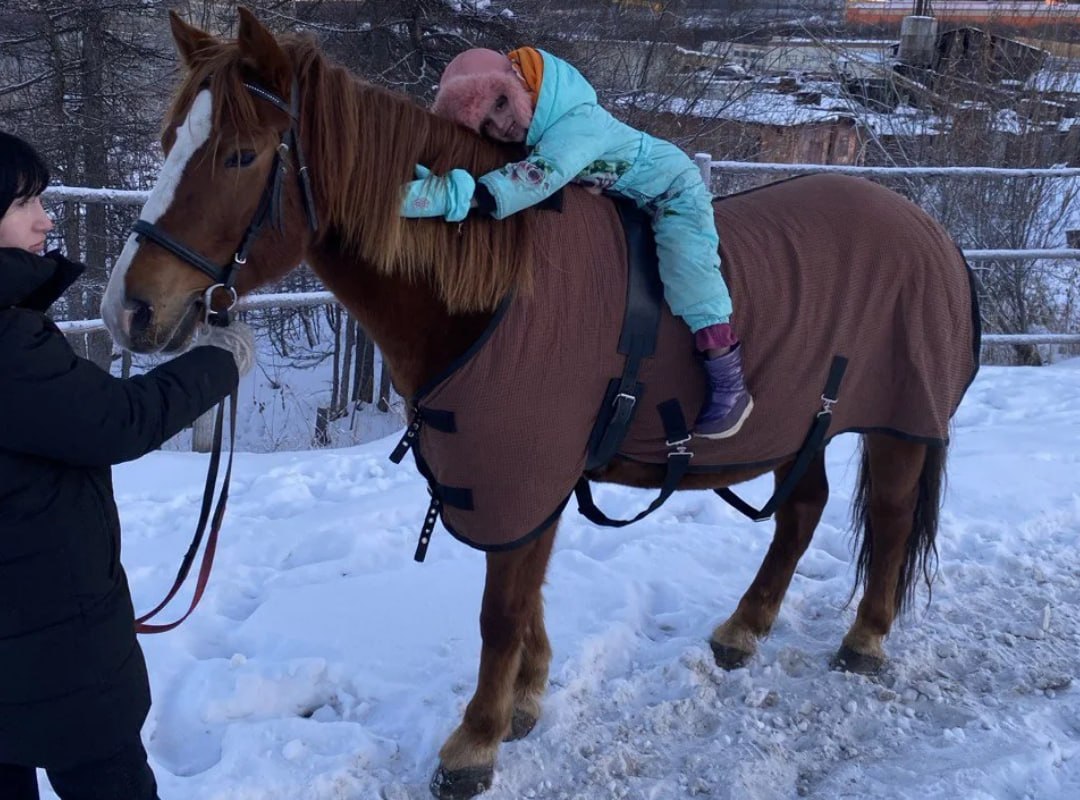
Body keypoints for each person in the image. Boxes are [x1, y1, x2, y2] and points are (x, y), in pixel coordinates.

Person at [0, 130, 255, 800]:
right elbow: (120, 420)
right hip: (55, 655)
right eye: (23, 204)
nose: (45, 220)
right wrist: (220, 360)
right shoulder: (8, 341)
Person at [401, 47, 753, 438]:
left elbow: (538, 177)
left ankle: (725, 370)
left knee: (686, 267)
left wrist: (455, 197)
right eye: (485, 123)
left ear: (525, 86)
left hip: (671, 188)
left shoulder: (578, 121)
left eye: (500, 103)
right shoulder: (537, 135)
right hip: (622, 196)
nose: (500, 124)